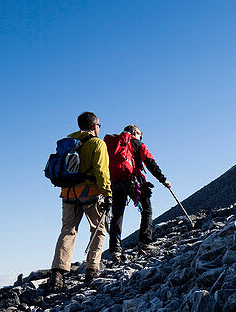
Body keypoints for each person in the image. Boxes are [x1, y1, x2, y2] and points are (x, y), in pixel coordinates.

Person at [47, 112, 112, 290]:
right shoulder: (97, 143)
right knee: (98, 230)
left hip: (68, 193)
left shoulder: (69, 143)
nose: (99, 128)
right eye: (99, 124)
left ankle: (57, 274)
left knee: (68, 230)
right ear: (93, 126)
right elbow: (101, 171)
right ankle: (92, 270)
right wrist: (108, 194)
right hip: (90, 193)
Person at [105, 124, 170, 260]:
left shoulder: (112, 143)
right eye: (140, 134)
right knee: (146, 210)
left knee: (117, 214)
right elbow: (150, 162)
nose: (141, 137)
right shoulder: (137, 143)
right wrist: (163, 179)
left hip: (115, 182)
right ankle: (145, 242)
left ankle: (115, 249)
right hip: (134, 180)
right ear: (135, 132)